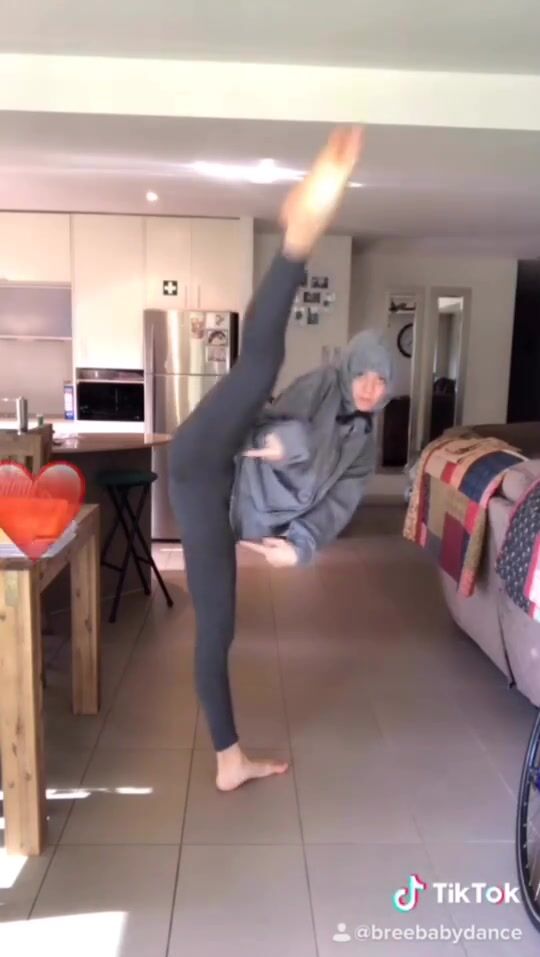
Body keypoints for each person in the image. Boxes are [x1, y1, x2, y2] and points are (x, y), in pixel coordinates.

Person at [168, 128, 392, 792]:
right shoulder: (322, 387)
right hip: (213, 454)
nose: (371, 387)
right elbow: (276, 420)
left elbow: (335, 509)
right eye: (365, 373)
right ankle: (295, 245)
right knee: (260, 361)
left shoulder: (362, 450)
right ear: (350, 367)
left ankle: (229, 761)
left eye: (383, 381)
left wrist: (302, 545)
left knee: (219, 627)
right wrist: (284, 446)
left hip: (216, 506)